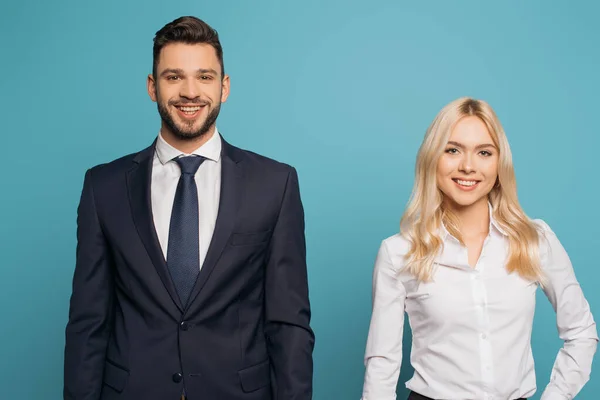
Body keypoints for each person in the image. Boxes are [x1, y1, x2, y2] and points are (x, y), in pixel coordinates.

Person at [64, 16, 314, 400]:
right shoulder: (104, 187)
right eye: (174, 77)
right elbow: (88, 324)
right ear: (153, 86)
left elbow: (289, 323)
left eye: (205, 77)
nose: (190, 91)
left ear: (224, 87)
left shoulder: (274, 184)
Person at [361, 97, 597, 400]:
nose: (468, 166)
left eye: (484, 152)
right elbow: (382, 363)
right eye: (453, 150)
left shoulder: (535, 239)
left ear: (500, 163)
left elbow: (581, 332)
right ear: (433, 157)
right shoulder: (399, 252)